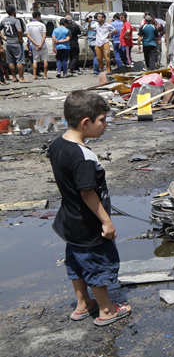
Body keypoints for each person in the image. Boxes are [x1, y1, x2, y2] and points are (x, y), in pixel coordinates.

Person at [48, 90, 132, 326]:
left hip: (69, 220)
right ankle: (106, 310)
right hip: (88, 224)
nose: (105, 125)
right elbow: (87, 192)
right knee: (96, 264)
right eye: (102, 120)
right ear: (86, 123)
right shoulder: (83, 156)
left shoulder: (57, 145)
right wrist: (106, 220)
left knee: (75, 263)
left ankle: (83, 303)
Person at [0, 5, 28, 82]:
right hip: (16, 42)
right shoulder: (16, 20)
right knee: (19, 60)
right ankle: (21, 77)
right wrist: (20, 39)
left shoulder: (4, 20)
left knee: (11, 61)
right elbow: (19, 30)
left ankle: (14, 77)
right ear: (13, 11)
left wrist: (4, 38)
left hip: (8, 42)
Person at [26, 11, 48, 80]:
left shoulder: (28, 25)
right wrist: (40, 44)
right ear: (38, 16)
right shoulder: (42, 25)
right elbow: (44, 36)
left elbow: (28, 36)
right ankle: (45, 75)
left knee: (35, 60)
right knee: (45, 60)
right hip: (43, 45)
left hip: (35, 46)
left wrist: (36, 44)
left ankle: (34, 75)